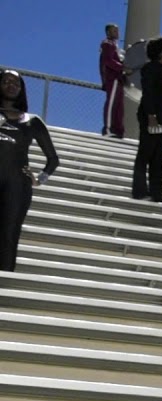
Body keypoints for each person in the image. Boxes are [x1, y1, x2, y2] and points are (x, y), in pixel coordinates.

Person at [0, 70, 58, 273]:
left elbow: (53, 159)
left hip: (17, 186)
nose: (11, 85)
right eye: (6, 81)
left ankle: (4, 284)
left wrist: (39, 179)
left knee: (8, 234)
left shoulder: (32, 121)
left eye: (16, 83)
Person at [131, 37, 162, 203]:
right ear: (161, 53)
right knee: (146, 153)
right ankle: (140, 191)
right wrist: (151, 116)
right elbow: (149, 93)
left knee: (158, 157)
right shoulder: (150, 69)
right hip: (152, 118)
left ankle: (156, 193)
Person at [99, 23, 126, 139]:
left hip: (119, 78)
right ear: (108, 32)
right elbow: (108, 61)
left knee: (119, 104)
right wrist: (123, 68)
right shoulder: (107, 44)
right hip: (113, 78)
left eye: (117, 31)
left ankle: (118, 129)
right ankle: (108, 128)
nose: (117, 33)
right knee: (112, 103)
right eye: (114, 31)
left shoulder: (115, 46)